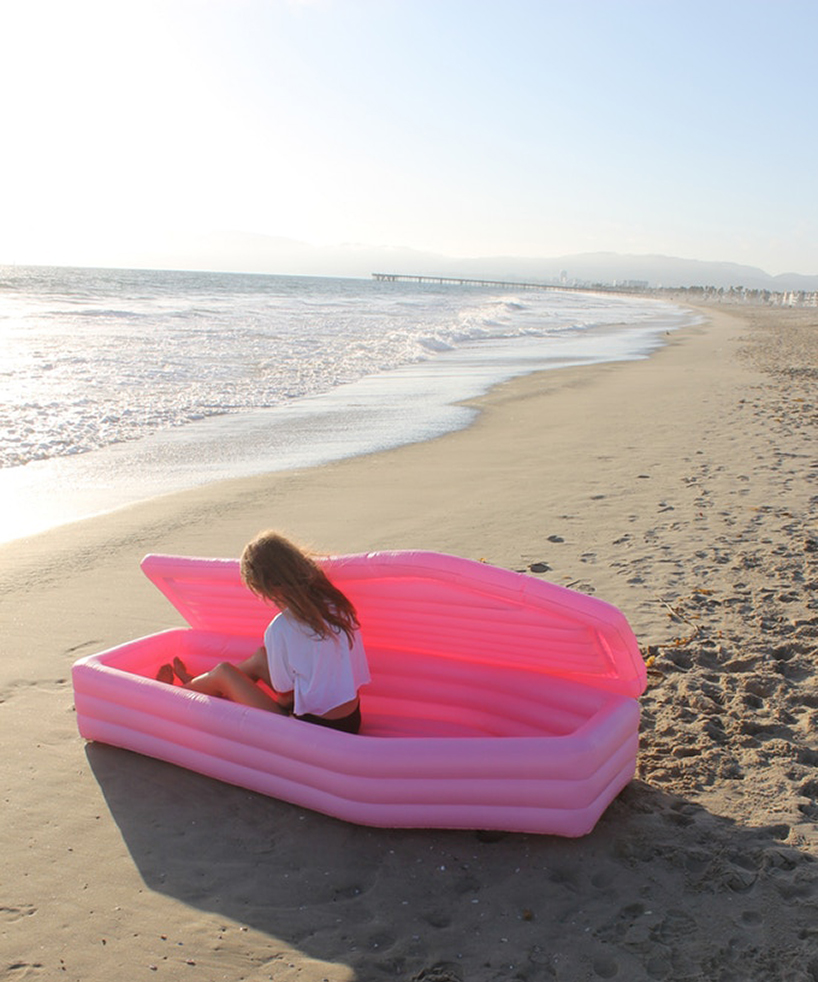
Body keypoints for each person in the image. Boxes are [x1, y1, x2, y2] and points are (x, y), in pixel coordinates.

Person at [156, 531, 370, 734]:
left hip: (312, 729)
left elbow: (285, 698)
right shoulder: (337, 605)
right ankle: (198, 685)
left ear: (266, 588)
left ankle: (174, 695)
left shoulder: (281, 628)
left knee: (224, 673)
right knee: (260, 658)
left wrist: (253, 697)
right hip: (351, 719)